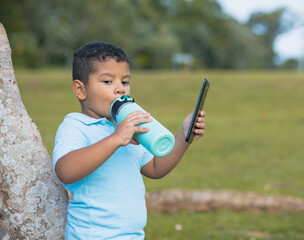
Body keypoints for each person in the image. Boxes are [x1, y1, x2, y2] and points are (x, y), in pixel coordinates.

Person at [52, 42, 207, 239]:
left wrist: (184, 136)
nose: (120, 90)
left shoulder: (126, 127)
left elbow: (156, 167)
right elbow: (65, 171)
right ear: (80, 89)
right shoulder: (76, 126)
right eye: (108, 82)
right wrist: (116, 139)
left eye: (125, 82)